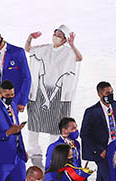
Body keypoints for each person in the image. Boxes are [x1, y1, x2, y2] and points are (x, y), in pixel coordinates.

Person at [24, 25, 82, 167]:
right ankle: (36, 161)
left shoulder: (68, 52)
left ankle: (53, 159)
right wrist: (30, 38)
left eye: (59, 35)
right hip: (40, 93)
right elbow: (29, 49)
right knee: (34, 125)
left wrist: (73, 45)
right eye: (55, 33)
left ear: (65, 39)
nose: (56, 36)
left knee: (56, 128)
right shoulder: (46, 49)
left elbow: (79, 58)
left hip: (59, 95)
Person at [80, 81, 116, 181]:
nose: (110, 95)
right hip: (101, 153)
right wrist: (98, 150)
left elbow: (114, 125)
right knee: (109, 180)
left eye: (111, 91)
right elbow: (84, 133)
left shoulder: (114, 105)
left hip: (114, 149)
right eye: (107, 93)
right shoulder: (92, 112)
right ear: (99, 94)